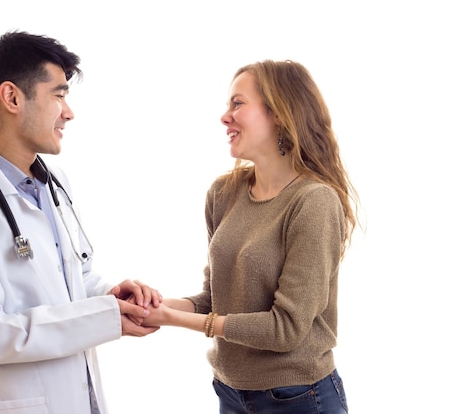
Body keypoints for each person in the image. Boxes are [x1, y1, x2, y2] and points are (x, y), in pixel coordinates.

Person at [0, 30, 161, 414]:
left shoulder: (54, 185)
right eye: (58, 95)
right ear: (12, 97)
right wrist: (104, 319)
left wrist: (109, 295)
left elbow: (70, 280)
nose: (68, 112)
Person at [142, 60, 359, 413]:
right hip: (230, 392)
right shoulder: (224, 193)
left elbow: (286, 328)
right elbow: (216, 300)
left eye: (237, 104)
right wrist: (155, 306)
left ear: (278, 113)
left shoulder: (314, 201)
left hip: (299, 397)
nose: (225, 117)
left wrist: (174, 319)